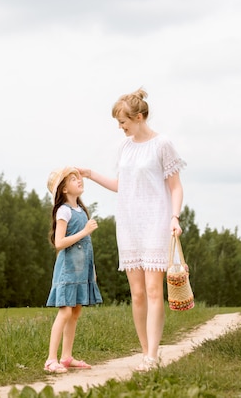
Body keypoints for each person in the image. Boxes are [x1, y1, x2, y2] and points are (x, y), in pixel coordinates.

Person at [77, 88, 185, 372]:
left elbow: (175, 187)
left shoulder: (163, 144)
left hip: (157, 221)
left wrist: (175, 217)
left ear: (138, 117)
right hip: (129, 224)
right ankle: (144, 351)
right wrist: (90, 174)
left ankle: (153, 354)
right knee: (137, 293)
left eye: (123, 122)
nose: (120, 127)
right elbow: (121, 186)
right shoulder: (124, 147)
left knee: (153, 290)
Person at [43, 166, 103, 373]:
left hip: (81, 270)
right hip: (67, 270)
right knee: (66, 311)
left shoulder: (79, 210)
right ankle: (51, 359)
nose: (79, 180)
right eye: (73, 179)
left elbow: (86, 245)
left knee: (75, 311)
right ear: (64, 189)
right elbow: (59, 243)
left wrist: (91, 270)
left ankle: (66, 357)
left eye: (79, 178)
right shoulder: (64, 211)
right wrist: (85, 231)